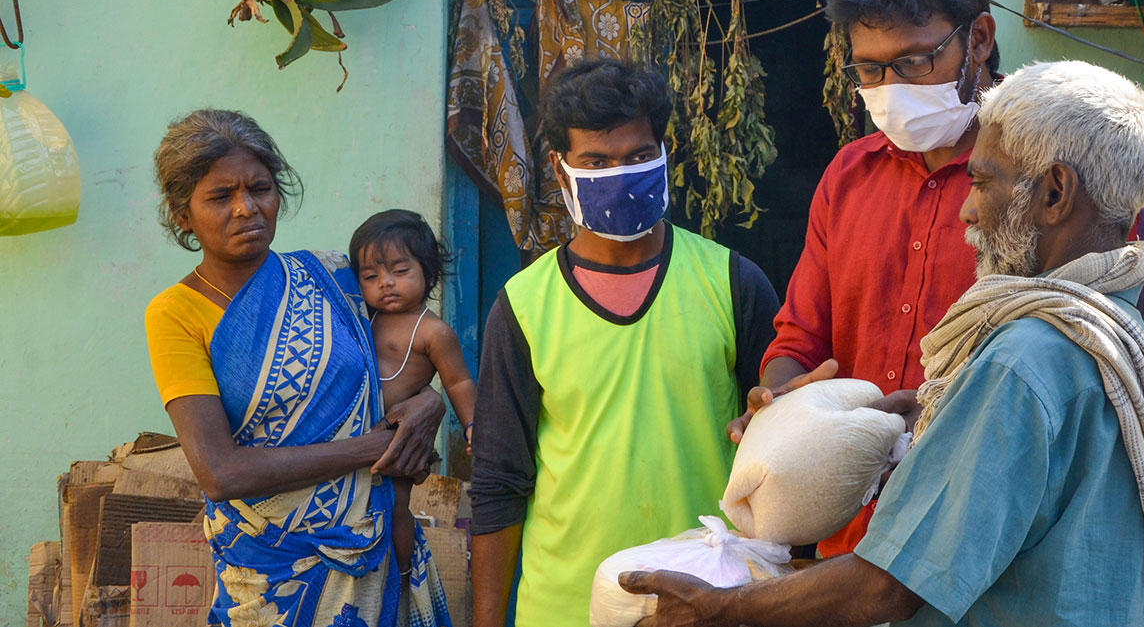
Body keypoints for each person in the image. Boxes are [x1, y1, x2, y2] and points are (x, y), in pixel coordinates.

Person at [624, 61, 1144, 626]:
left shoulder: (1023, 360)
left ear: (1054, 194)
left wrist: (718, 609)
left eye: (982, 182)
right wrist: (941, 422)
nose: (968, 209)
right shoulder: (1110, 329)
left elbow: (885, 587)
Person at [467, 58, 780, 627]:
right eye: (597, 162)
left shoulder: (734, 282)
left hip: (708, 598)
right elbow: (499, 481)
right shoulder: (522, 306)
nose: (621, 172)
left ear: (664, 154)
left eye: (638, 156)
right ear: (562, 174)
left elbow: (780, 447)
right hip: (565, 607)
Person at [143, 109, 452, 627]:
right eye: (221, 197)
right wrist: (381, 446)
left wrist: (430, 402)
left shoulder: (333, 276)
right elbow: (220, 472)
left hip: (375, 544)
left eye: (260, 188)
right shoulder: (175, 313)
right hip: (268, 570)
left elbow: (408, 360)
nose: (246, 208)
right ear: (182, 213)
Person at [728, 0, 1002, 558]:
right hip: (845, 543)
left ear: (978, 40)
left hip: (976, 545)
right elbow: (799, 340)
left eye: (912, 62)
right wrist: (776, 404)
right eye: (870, 71)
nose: (890, 89)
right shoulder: (848, 177)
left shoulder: (1042, 181)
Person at [350, 209, 477, 583]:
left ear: (428, 274)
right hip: (354, 440)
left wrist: (473, 426)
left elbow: (459, 383)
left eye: (400, 272)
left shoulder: (433, 331)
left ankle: (401, 578)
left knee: (397, 506)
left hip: (400, 442)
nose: (385, 283)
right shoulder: (361, 317)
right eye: (371, 276)